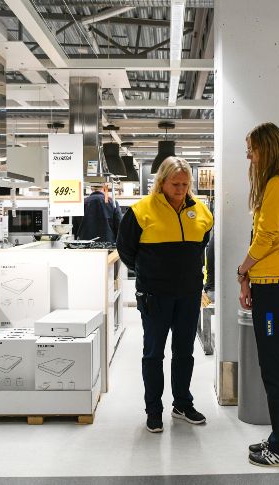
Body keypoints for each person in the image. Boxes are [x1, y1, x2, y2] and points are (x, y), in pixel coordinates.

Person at [116, 157, 213, 434]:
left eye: (185, 184)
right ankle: (154, 410)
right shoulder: (140, 211)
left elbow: (201, 245)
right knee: (153, 353)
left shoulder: (202, 212)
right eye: (175, 184)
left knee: (184, 352)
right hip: (155, 295)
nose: (180, 189)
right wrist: (150, 273)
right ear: (162, 182)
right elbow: (126, 251)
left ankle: (182, 404)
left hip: (189, 294)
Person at [236, 122, 279, 468]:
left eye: (252, 148)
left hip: (274, 288)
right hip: (273, 283)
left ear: (267, 147)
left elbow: (264, 238)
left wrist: (242, 270)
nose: (248, 155)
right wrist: (249, 279)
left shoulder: (277, 184)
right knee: (275, 367)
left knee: (275, 370)